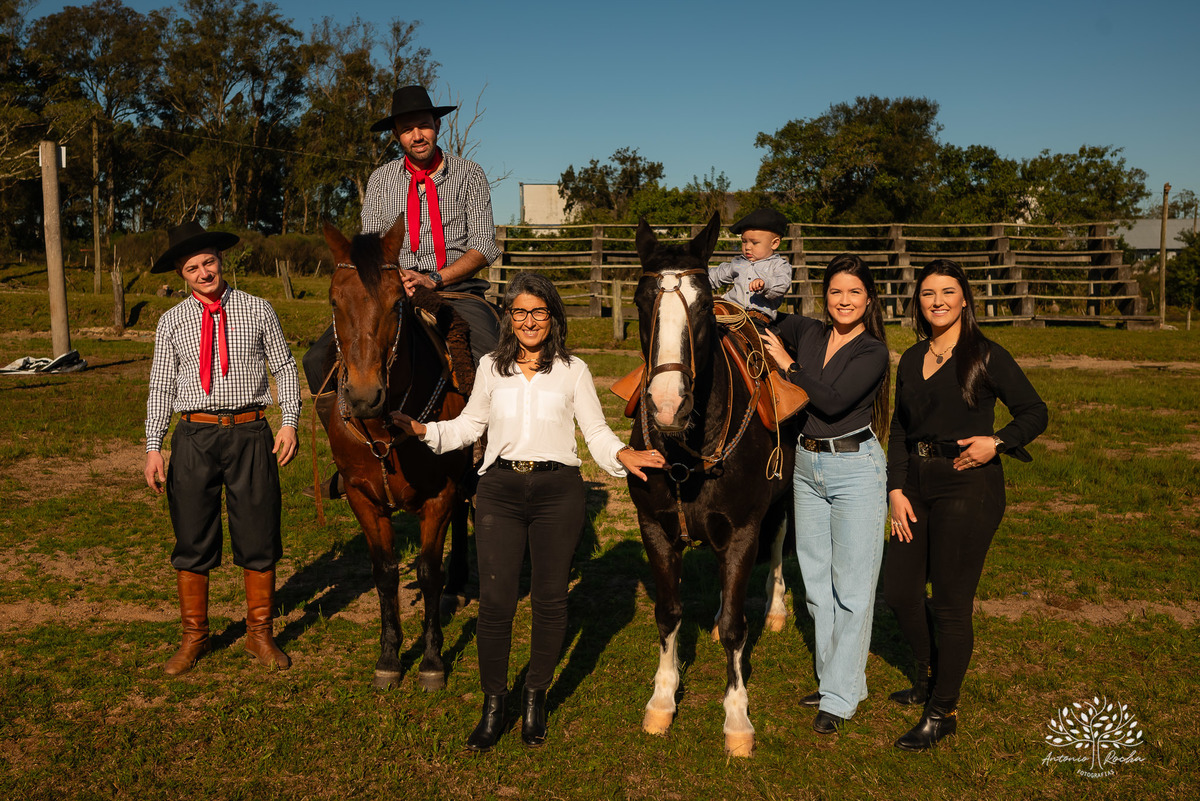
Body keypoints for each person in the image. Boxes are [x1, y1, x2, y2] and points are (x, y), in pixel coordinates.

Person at [391, 271, 665, 752]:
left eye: (538, 311)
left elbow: (596, 433)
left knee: (550, 601)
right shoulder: (492, 370)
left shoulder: (574, 370)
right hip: (498, 489)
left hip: (559, 490)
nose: (529, 321)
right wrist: (423, 432)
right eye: (520, 312)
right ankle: (494, 703)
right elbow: (469, 426)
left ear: (553, 317)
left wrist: (621, 455)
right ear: (509, 319)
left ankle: (535, 696)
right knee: (496, 604)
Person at [304, 84, 502, 499]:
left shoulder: (470, 175)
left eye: (424, 126)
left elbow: (484, 244)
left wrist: (436, 279)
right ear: (397, 136)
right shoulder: (381, 181)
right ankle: (350, 456)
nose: (417, 135)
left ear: (437, 126)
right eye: (407, 129)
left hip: (455, 288)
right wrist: (397, 277)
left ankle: (485, 463)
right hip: (390, 288)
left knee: (490, 361)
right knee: (316, 360)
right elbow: (370, 247)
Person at [883, 259, 1047, 751]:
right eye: (928, 293)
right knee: (900, 592)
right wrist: (895, 490)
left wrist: (996, 442)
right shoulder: (911, 359)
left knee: (951, 602)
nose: (937, 301)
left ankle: (942, 709)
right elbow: (898, 431)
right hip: (914, 484)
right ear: (918, 302)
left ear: (965, 300)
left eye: (947, 292)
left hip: (968, 485)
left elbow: (1035, 412)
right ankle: (931, 674)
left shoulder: (986, 355)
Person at [144, 221, 301, 676]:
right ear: (181, 274)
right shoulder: (171, 321)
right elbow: (160, 388)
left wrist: (288, 422)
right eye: (192, 268)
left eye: (208, 262)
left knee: (258, 535)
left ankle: (260, 635)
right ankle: (194, 637)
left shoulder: (258, 309)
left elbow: (286, 369)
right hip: (194, 436)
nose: (203, 273)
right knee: (192, 537)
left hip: (251, 432)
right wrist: (154, 446)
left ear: (220, 260)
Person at [762, 253, 891, 734]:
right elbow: (763, 313)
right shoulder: (810, 330)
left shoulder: (872, 351)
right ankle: (839, 679)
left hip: (854, 466)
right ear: (824, 295)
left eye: (854, 292)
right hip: (807, 464)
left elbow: (834, 402)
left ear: (869, 299)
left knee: (853, 588)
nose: (844, 300)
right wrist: (745, 278)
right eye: (836, 291)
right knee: (816, 586)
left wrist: (789, 367)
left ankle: (838, 697)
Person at [708, 207, 792, 330]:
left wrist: (765, 284)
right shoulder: (739, 263)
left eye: (754, 243)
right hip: (730, 312)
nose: (747, 247)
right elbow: (716, 275)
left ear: (774, 243)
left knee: (763, 346)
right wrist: (696, 277)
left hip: (757, 320)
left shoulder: (779, 265)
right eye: (744, 241)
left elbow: (782, 284)